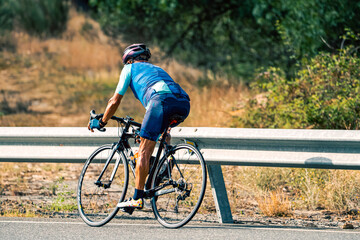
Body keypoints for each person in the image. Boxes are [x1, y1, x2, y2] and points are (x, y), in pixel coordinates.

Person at [88, 43, 190, 209]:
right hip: (183, 103)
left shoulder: (129, 69)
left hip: (160, 102)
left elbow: (114, 101)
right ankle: (163, 169)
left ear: (128, 60)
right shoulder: (156, 69)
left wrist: (101, 121)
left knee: (144, 150)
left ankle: (137, 197)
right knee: (158, 135)